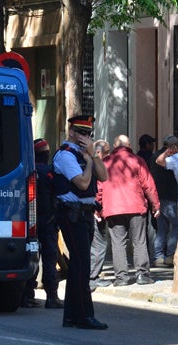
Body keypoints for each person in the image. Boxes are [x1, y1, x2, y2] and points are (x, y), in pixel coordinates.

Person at [52, 115, 109, 330]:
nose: (85, 137)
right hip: (72, 214)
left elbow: (104, 177)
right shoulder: (66, 155)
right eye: (81, 133)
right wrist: (89, 162)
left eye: (88, 133)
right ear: (72, 132)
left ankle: (71, 316)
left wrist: (93, 156)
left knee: (78, 265)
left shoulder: (85, 154)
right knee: (82, 265)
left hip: (85, 213)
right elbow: (84, 183)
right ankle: (85, 316)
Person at [100, 134, 160, 286]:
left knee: (118, 244)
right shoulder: (137, 160)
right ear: (130, 146)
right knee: (139, 241)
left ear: (114, 146)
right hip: (136, 206)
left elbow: (98, 187)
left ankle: (121, 278)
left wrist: (97, 208)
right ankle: (142, 275)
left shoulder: (105, 163)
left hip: (113, 208)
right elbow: (148, 184)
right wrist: (155, 205)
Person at [24, 138, 64, 309]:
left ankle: (27, 296)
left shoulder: (28, 172)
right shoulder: (50, 172)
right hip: (48, 221)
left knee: (30, 256)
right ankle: (51, 296)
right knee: (49, 258)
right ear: (46, 154)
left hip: (29, 222)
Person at [150, 135, 178, 267]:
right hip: (171, 196)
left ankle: (158, 256)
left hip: (157, 197)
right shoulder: (172, 158)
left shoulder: (154, 156)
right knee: (176, 226)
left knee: (162, 228)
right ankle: (170, 254)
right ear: (173, 146)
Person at [89, 139, 112, 291]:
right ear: (98, 153)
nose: (109, 156)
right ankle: (92, 277)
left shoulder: (90, 165)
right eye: (107, 153)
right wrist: (97, 211)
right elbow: (98, 190)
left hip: (91, 210)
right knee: (99, 245)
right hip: (94, 212)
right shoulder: (96, 167)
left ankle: (92, 276)